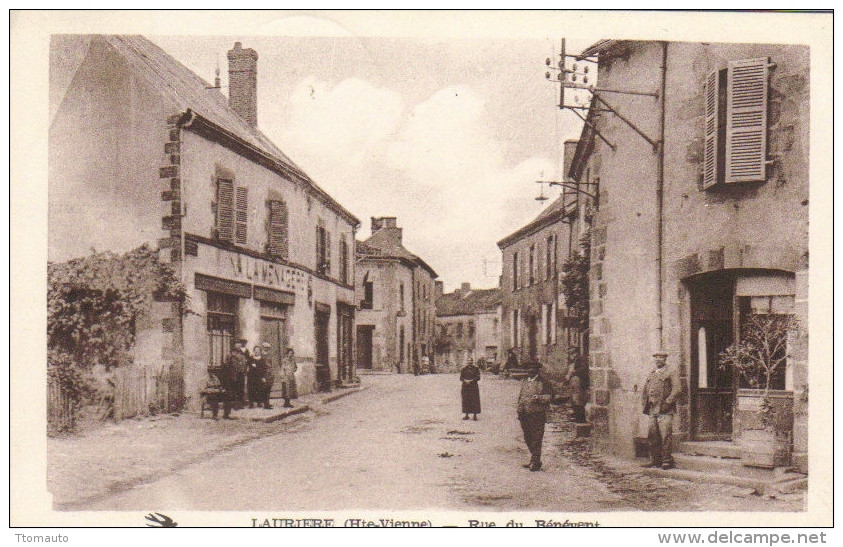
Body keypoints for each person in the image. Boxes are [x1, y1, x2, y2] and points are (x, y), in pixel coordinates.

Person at [641, 349, 681, 470]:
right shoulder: (652, 372)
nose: (658, 360)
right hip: (653, 409)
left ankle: (666, 460)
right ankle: (654, 459)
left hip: (665, 410)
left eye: (661, 358)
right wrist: (646, 404)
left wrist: (667, 403)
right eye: (656, 357)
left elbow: (677, 389)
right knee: (653, 435)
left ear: (665, 359)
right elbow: (646, 389)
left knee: (665, 435)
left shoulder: (671, 372)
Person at [517, 360, 554, 471]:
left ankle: (535, 461)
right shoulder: (524, 381)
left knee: (537, 437)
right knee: (527, 437)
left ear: (537, 370)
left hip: (537, 413)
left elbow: (550, 396)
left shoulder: (544, 382)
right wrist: (519, 409)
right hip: (524, 413)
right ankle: (535, 460)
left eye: (533, 368)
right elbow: (521, 396)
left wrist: (539, 398)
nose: (530, 370)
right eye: (528, 368)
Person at [210, 355, 236, 420]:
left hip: (225, 388)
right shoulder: (222, 368)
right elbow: (221, 378)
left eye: (230, 360)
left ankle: (226, 414)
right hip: (217, 390)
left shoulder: (231, 367)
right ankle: (215, 415)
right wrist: (220, 388)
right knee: (214, 398)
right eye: (227, 360)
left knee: (228, 399)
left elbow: (232, 378)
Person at [565, 357, 590, 424]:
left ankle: (580, 423)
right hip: (578, 396)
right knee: (578, 407)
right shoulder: (576, 376)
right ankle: (580, 423)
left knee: (578, 407)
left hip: (578, 395)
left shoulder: (576, 376)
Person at [228, 339, 249, 410]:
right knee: (234, 389)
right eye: (237, 345)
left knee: (241, 389)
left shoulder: (242, 354)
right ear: (234, 346)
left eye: (239, 345)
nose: (238, 346)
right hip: (234, 373)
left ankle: (240, 403)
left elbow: (245, 362)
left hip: (241, 373)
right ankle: (235, 404)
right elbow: (227, 364)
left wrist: (245, 370)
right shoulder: (231, 354)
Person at [258, 342, 275, 410]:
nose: (267, 349)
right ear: (263, 347)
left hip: (269, 373)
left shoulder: (269, 355)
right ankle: (264, 403)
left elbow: (271, 363)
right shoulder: (260, 355)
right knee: (263, 389)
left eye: (268, 348)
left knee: (268, 388)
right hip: (263, 373)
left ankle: (266, 402)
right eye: (266, 347)